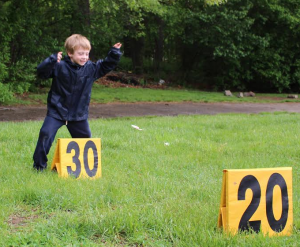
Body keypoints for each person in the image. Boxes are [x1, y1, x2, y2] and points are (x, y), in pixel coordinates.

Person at [33, 34, 122, 171]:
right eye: (80, 54)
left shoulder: (91, 69)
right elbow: (41, 73)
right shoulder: (59, 66)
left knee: (86, 139)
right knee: (45, 133)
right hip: (57, 112)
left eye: (87, 54)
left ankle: (81, 168)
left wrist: (114, 53)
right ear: (70, 54)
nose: (84, 57)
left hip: (78, 115)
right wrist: (51, 60)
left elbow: (105, 66)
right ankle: (39, 167)